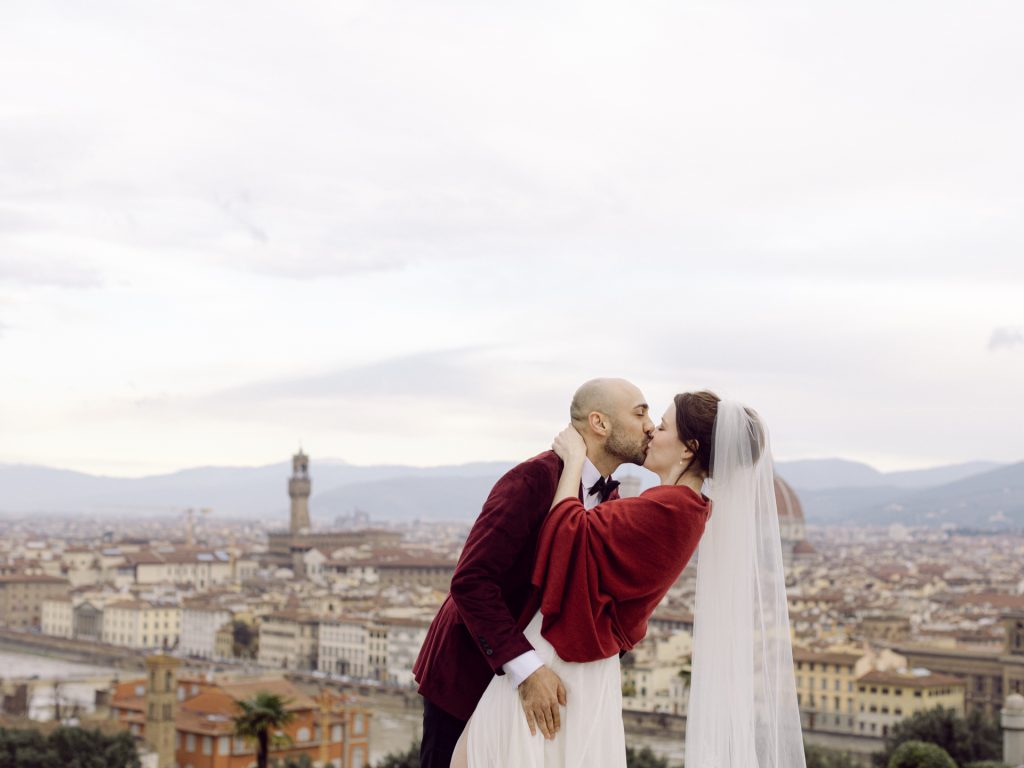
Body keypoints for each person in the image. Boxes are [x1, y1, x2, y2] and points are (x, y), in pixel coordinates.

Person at [452, 391, 805, 768]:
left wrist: (573, 460)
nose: (652, 431)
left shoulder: (672, 508)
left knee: (475, 757)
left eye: (664, 425)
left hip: (558, 656)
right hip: (575, 657)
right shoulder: (679, 506)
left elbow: (566, 539)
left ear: (689, 449)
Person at [413, 378, 655, 768]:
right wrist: (527, 670)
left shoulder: (610, 497)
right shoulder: (533, 479)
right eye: (640, 412)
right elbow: (471, 581)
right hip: (471, 674)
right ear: (599, 423)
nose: (650, 425)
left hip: (541, 677)